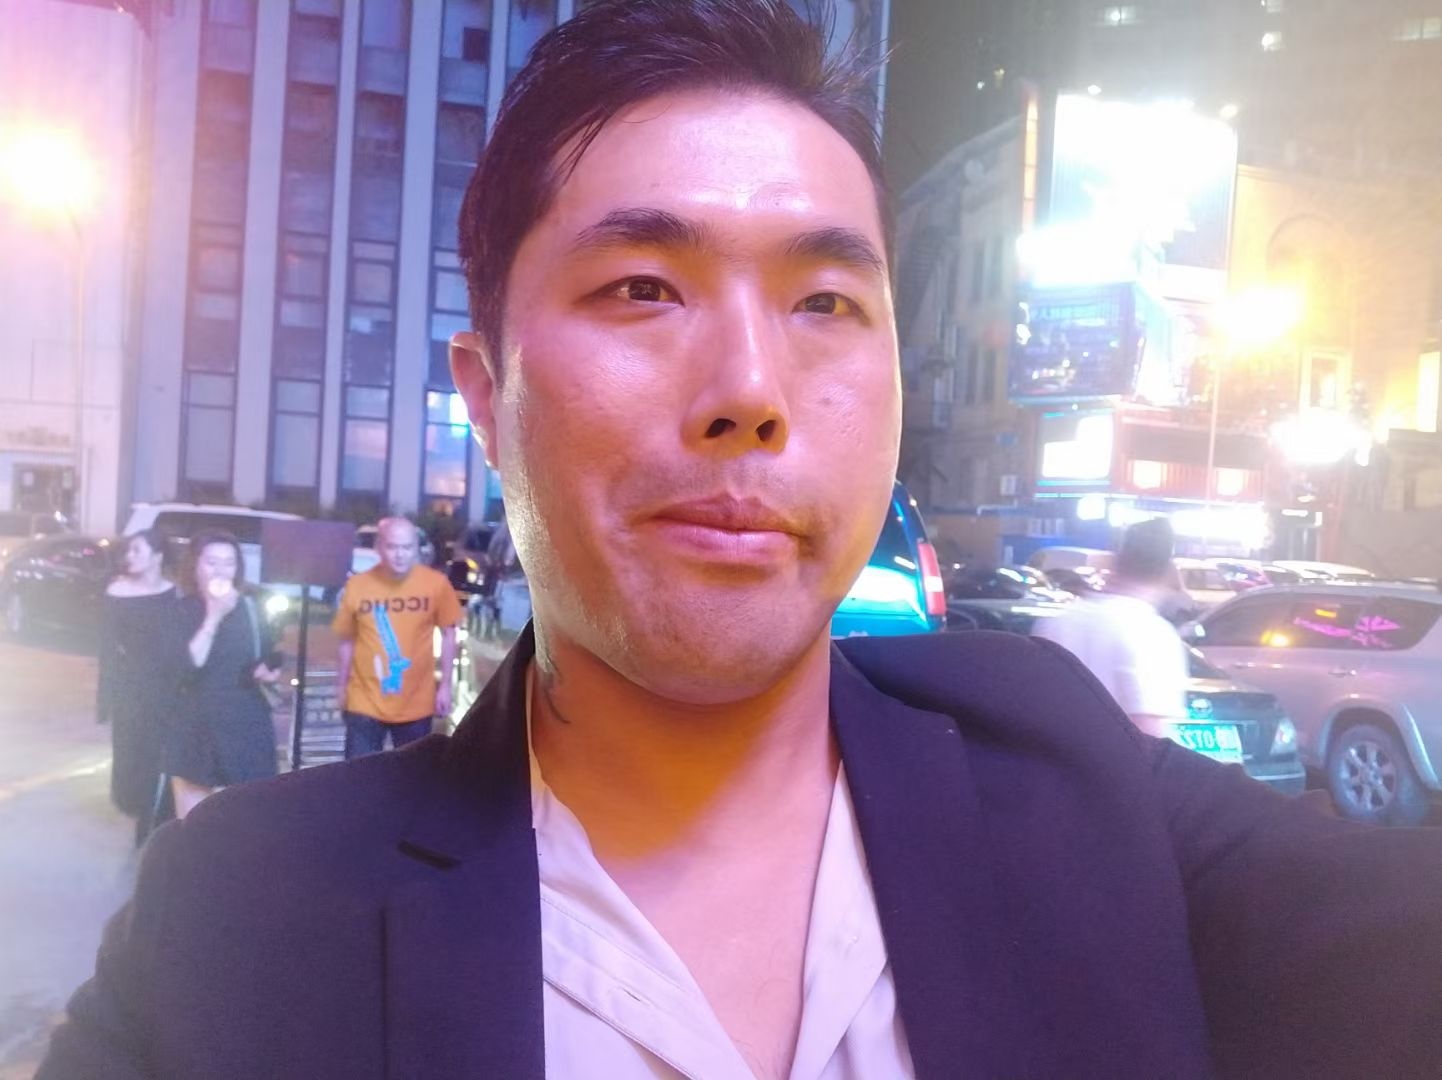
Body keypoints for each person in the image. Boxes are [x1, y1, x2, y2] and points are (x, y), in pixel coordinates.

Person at [41, 3, 1442, 1078]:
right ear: (488, 396)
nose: (751, 392)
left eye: (825, 304)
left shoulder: (1061, 775)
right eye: (642, 288)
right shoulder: (248, 918)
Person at [1032, 517, 1190, 739]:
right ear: (1168, 572)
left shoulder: (1057, 622)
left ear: (1116, 560)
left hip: (1049, 757)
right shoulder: (1151, 634)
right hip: (1109, 761)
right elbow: (1149, 734)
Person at [163, 531, 283, 820]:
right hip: (196, 722)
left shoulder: (251, 607)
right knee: (193, 824)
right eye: (212, 562)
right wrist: (214, 616)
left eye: (229, 563)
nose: (221, 571)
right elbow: (185, 667)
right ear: (195, 566)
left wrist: (270, 669)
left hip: (246, 722)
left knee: (249, 818)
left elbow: (267, 653)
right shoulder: (179, 610)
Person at [332, 516, 462, 756]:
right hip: (364, 703)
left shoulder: (436, 585)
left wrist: (445, 685)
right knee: (360, 774)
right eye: (392, 547)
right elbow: (347, 640)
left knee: (412, 775)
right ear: (379, 547)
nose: (400, 555)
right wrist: (341, 686)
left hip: (416, 704)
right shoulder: (358, 586)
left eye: (407, 547)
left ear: (417, 548)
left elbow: (449, 634)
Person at [96, 529, 181, 846]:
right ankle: (137, 810)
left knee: (160, 755)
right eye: (128, 551)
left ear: (157, 556)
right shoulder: (117, 592)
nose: (129, 557)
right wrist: (104, 700)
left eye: (137, 551)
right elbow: (107, 649)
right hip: (130, 688)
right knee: (131, 754)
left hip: (166, 688)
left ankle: (153, 821)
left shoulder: (175, 594)